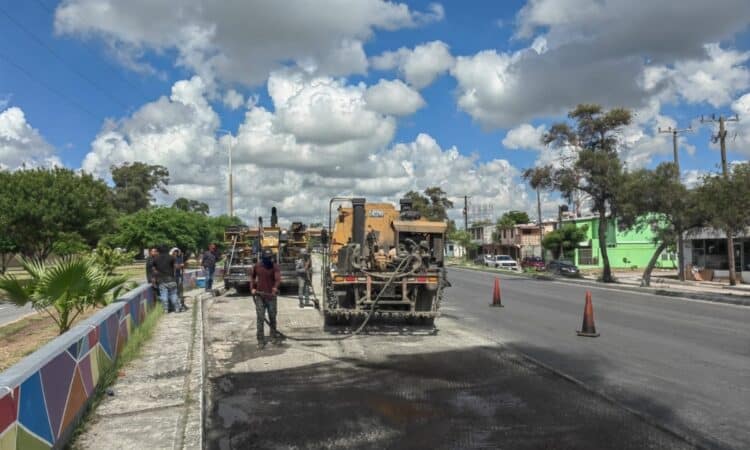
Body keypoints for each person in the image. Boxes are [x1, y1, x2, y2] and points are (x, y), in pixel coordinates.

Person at [249, 248, 281, 349]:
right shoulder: (257, 266)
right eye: (267, 258)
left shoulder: (275, 267)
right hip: (259, 296)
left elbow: (278, 279)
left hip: (271, 296)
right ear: (262, 257)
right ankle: (260, 340)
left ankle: (273, 336)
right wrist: (252, 288)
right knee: (260, 318)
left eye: (270, 258)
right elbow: (252, 278)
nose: (269, 260)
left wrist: (275, 288)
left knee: (272, 317)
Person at [153, 245, 181, 313]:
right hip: (171, 279)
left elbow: (154, 270)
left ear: (159, 251)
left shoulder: (156, 259)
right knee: (173, 294)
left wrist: (158, 274)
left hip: (161, 280)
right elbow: (176, 267)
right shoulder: (171, 257)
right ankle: (176, 309)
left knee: (164, 295)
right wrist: (180, 266)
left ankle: (166, 310)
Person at [171, 247, 187, 312]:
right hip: (173, 277)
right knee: (174, 291)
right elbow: (175, 266)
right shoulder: (171, 259)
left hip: (179, 276)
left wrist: (182, 267)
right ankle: (176, 305)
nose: (176, 253)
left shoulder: (180, 258)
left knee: (179, 290)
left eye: (177, 252)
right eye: (174, 252)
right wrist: (180, 265)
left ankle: (181, 303)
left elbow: (182, 266)